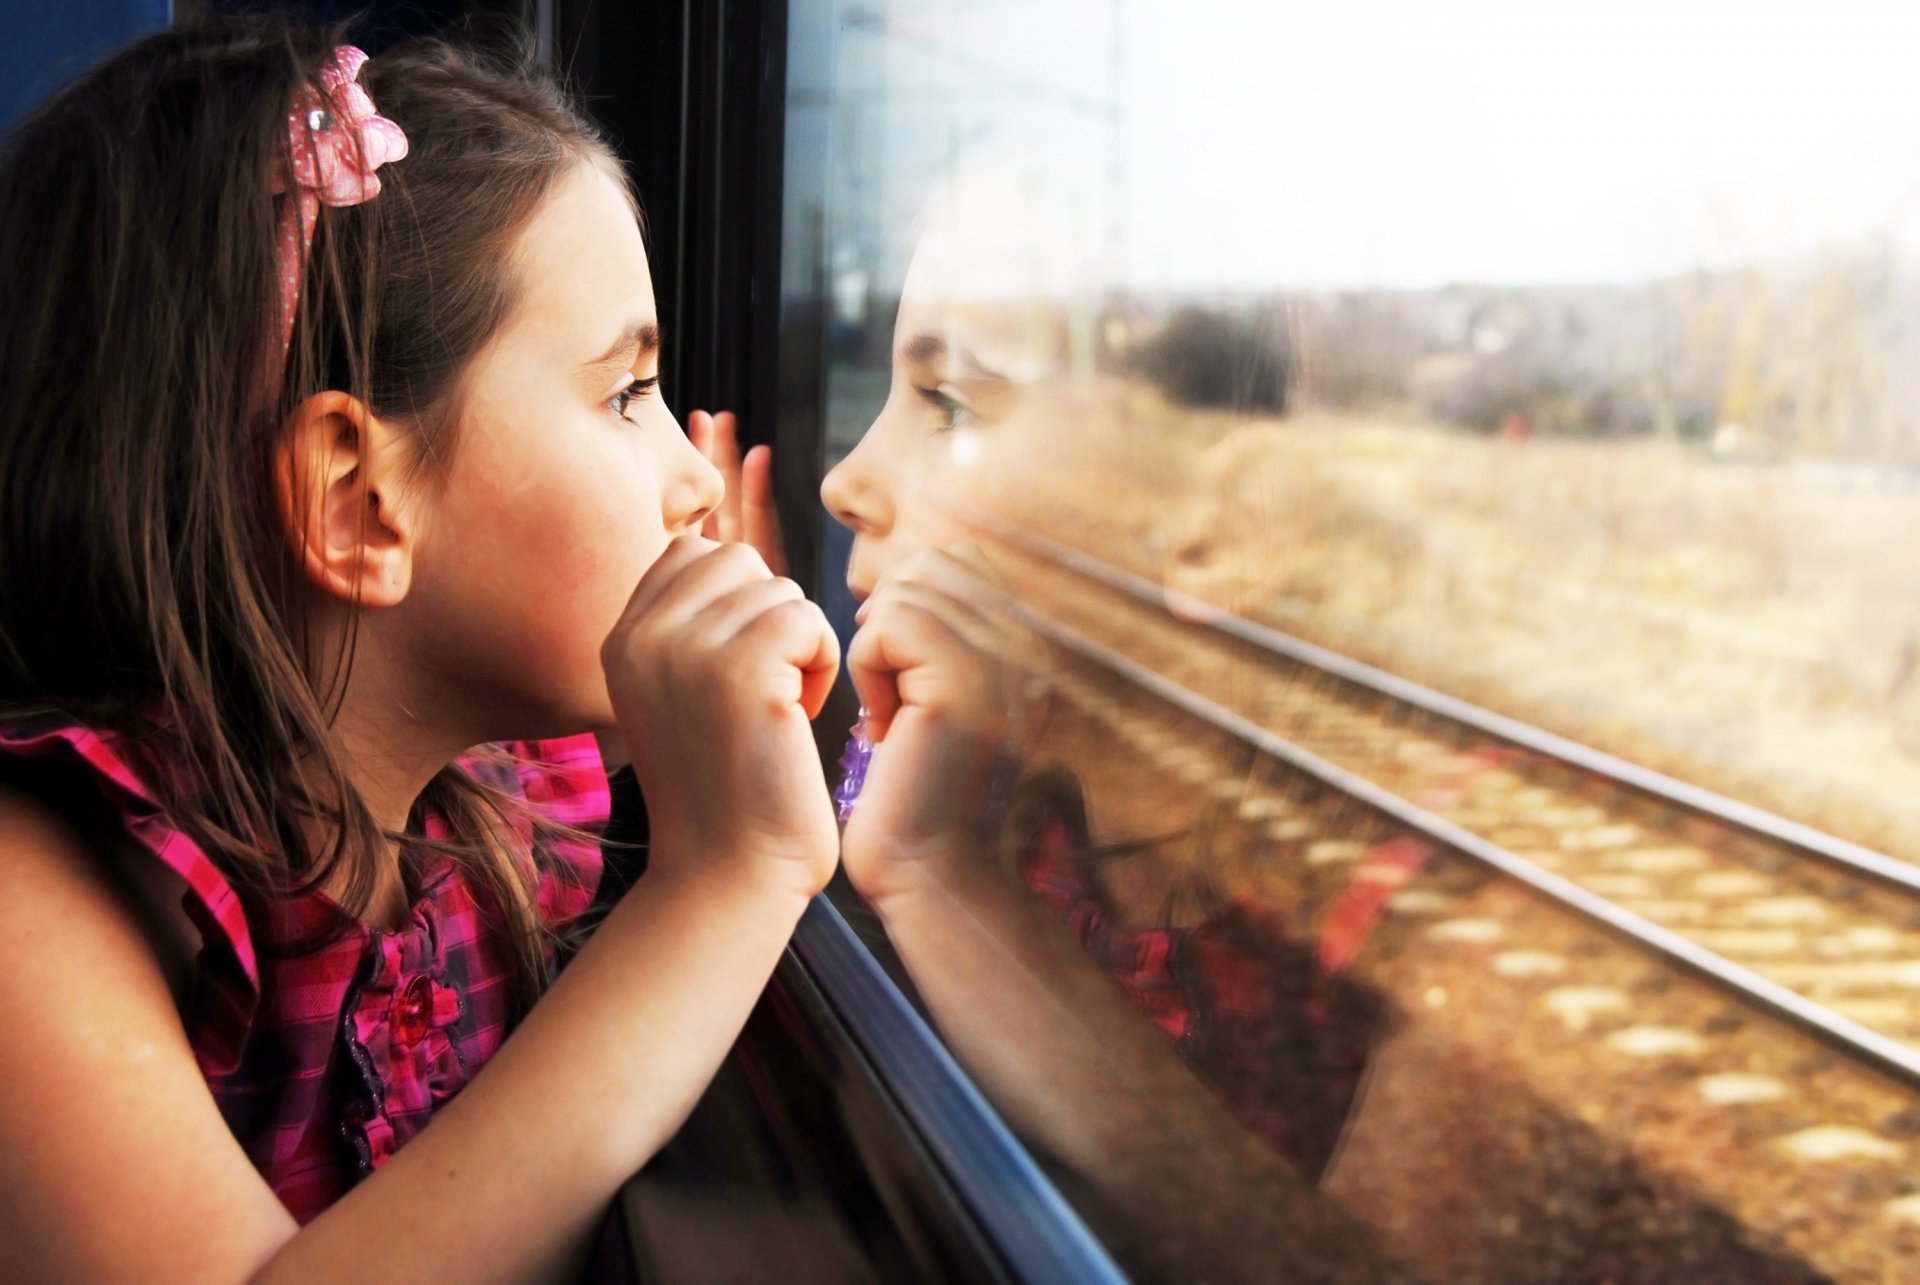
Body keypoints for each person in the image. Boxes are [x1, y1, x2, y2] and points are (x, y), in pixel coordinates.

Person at [0, 20, 844, 1279]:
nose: (687, 478)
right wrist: (722, 881)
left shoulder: (497, 803)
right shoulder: (38, 898)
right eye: (625, 394)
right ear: (356, 504)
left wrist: (768, 711)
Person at [819, 174, 1403, 1281]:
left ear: (1222, 529)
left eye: (949, 406)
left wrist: (936, 870)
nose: (845, 478)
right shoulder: (998, 784)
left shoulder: (1428, 914)